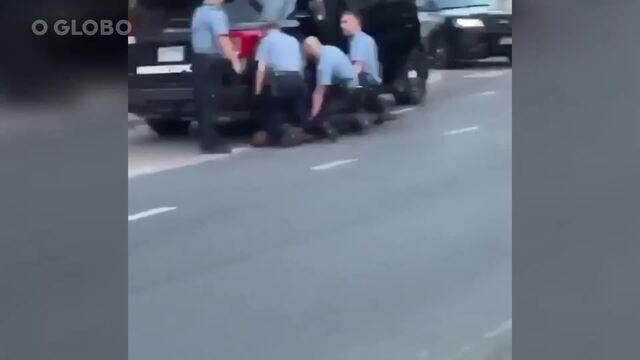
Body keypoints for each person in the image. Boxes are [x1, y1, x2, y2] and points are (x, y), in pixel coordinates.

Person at [191, 0, 242, 154]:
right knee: (213, 100)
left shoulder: (198, 12)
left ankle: (206, 139)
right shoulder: (217, 14)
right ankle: (212, 142)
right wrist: (235, 61)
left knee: (203, 101)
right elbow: (222, 40)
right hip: (212, 60)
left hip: (198, 59)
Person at [252, 22, 310, 147]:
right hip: (298, 80)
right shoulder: (293, 40)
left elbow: (261, 68)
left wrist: (257, 91)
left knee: (270, 109)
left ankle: (279, 133)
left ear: (266, 30)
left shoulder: (266, 41)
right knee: (297, 108)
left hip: (280, 80)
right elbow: (301, 64)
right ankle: (301, 129)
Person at [303, 36, 365, 140]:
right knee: (329, 102)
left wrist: (314, 116)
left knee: (325, 116)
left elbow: (320, 92)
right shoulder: (331, 49)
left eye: (305, 50)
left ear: (309, 48)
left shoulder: (324, 63)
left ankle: (352, 121)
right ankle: (354, 120)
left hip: (351, 91)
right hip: (357, 85)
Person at [340, 11, 386, 122]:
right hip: (363, 77)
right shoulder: (353, 40)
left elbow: (358, 67)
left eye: (345, 22)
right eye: (341, 22)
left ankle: (359, 111)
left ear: (356, 22)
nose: (341, 25)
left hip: (368, 79)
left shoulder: (362, 40)